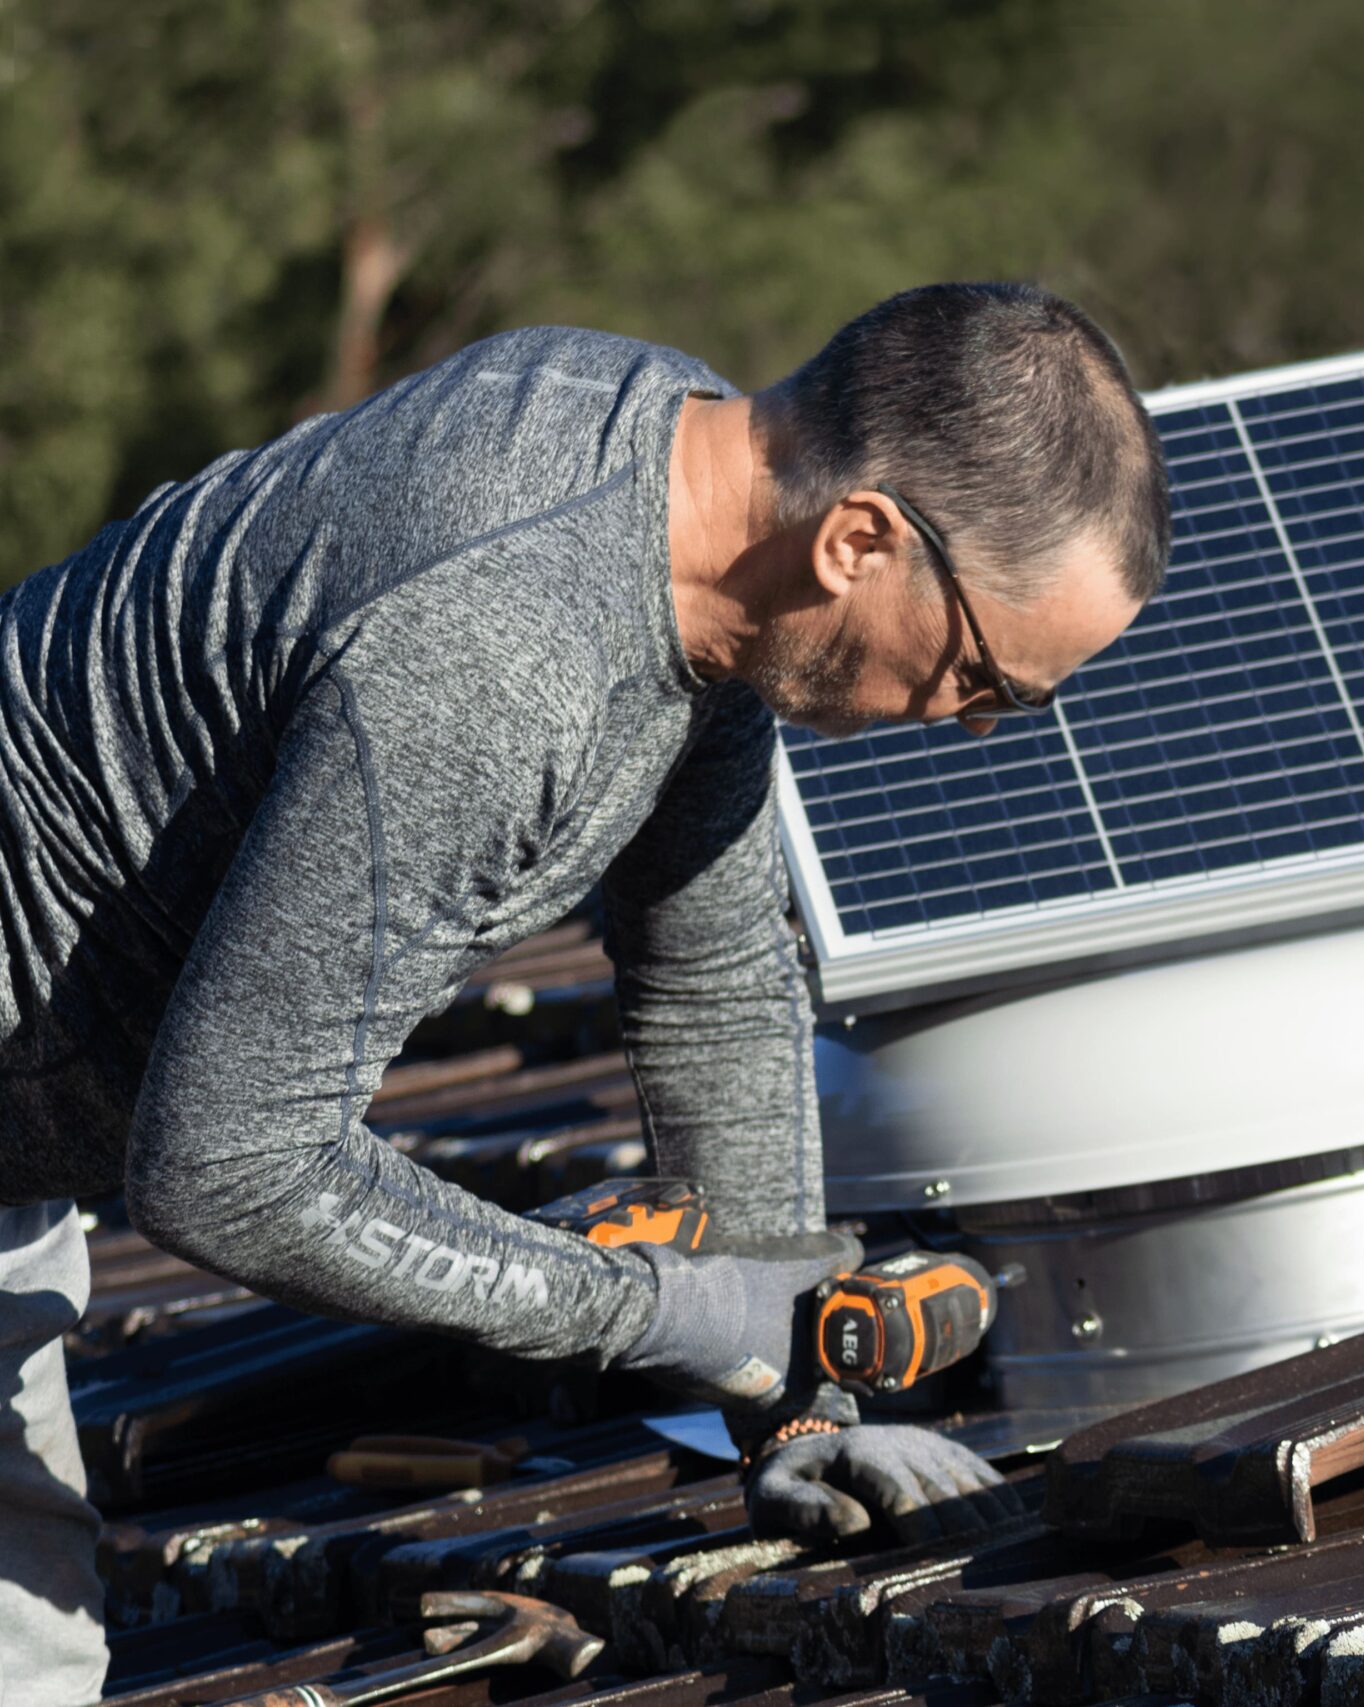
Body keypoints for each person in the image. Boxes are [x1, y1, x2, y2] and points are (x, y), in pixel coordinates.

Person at [0, 281, 1171, 1701]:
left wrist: (794, 1402)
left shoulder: (687, 489)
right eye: (986, 680)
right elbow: (227, 1169)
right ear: (860, 539)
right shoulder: (497, 655)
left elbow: (716, 974)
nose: (970, 730)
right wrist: (664, 1312)